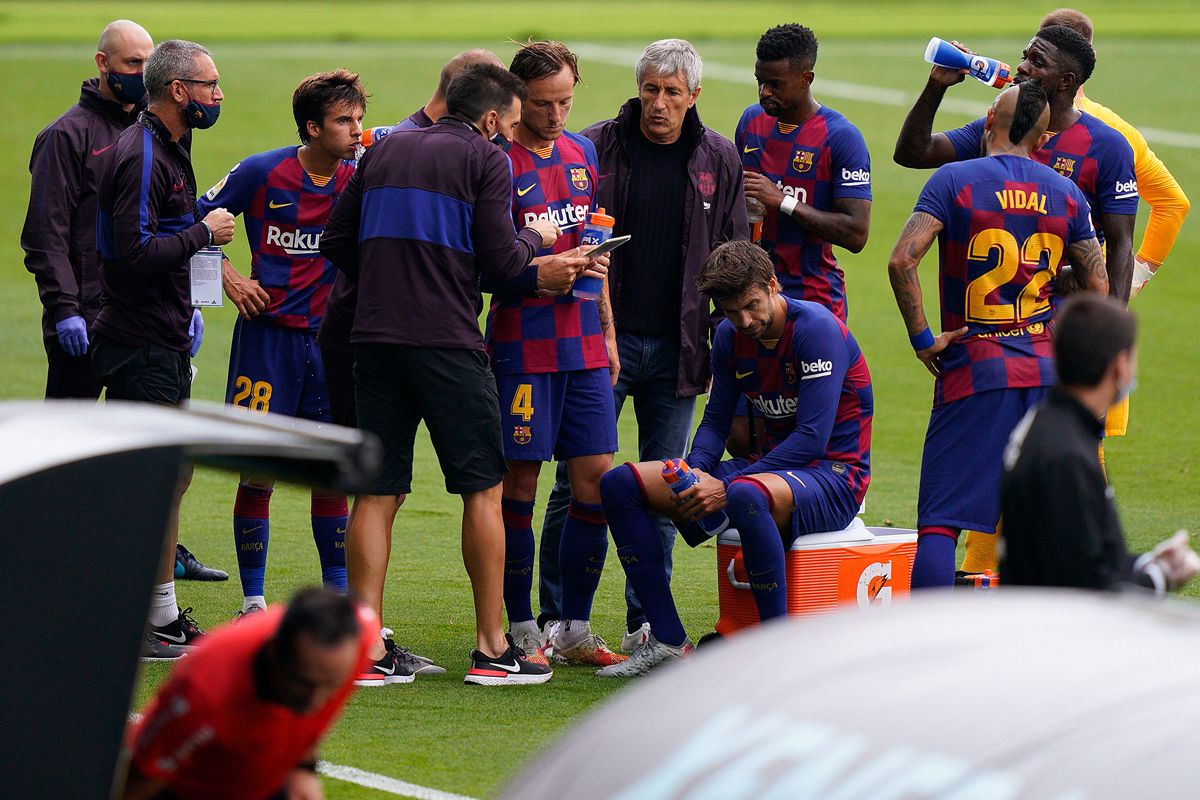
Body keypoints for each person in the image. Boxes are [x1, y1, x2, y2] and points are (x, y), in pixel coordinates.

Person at [321, 63, 592, 686]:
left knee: (377, 492)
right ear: (491, 118)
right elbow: (501, 264)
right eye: (513, 122)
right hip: (446, 343)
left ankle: (364, 645)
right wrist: (536, 247)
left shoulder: (383, 149)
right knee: (483, 489)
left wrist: (392, 276)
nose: (513, 132)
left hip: (374, 340)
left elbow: (336, 240)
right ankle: (493, 650)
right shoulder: (486, 158)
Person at [957, 7, 1195, 576]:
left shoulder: (1108, 136)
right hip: (1027, 322)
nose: (1024, 63)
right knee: (1039, 450)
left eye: (1037, 55)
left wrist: (1123, 288)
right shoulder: (1014, 116)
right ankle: (1005, 573)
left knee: (1063, 449)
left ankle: (1071, 572)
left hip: (1066, 327)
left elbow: (1170, 205)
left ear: (1070, 70)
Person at [893, 24, 1137, 578]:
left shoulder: (1101, 147)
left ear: (1066, 81)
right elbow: (912, 151)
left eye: (1036, 60)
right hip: (1046, 359)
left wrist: (922, 338)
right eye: (1025, 55)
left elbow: (1124, 245)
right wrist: (936, 86)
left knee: (944, 519)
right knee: (1056, 523)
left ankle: (942, 628)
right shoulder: (1062, 188)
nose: (1022, 65)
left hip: (986, 361)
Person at [540, 38, 747, 652]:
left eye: (672, 93)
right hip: (595, 346)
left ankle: (646, 624)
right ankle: (559, 618)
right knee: (573, 483)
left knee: (666, 486)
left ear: (694, 96)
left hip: (680, 351)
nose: (659, 103)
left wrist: (725, 346)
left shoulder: (719, 158)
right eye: (651, 89)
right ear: (639, 88)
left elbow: (732, 257)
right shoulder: (593, 147)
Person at [599, 240, 873, 677]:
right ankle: (668, 642)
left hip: (835, 475)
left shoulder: (817, 330)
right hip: (769, 469)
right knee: (620, 485)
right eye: (731, 312)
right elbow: (715, 421)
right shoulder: (729, 336)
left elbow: (811, 438)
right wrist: (695, 472)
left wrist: (723, 487)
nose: (744, 321)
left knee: (744, 493)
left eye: (751, 306)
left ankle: (776, 654)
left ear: (772, 284)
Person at [195, 71, 374, 629]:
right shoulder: (260, 171)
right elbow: (190, 220)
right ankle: (253, 602)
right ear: (313, 127)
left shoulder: (361, 176)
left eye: (359, 119)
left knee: (329, 470)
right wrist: (227, 276)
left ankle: (339, 599)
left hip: (331, 344)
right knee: (258, 470)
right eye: (344, 120)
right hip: (267, 342)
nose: (356, 130)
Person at [480, 40, 625, 668]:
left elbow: (594, 245)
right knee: (520, 483)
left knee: (596, 478)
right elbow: (485, 262)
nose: (557, 114)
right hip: (522, 344)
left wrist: (608, 331)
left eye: (566, 101)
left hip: (583, 341)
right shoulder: (494, 160)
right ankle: (519, 625)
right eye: (544, 103)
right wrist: (537, 270)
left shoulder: (582, 152)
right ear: (517, 98)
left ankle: (573, 626)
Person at [93, 38, 235, 659]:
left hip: (164, 335)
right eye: (210, 85)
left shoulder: (172, 145)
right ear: (179, 91)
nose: (218, 95)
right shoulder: (144, 154)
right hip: (141, 341)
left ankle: (158, 612)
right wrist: (204, 230)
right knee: (152, 482)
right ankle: (144, 617)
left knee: (171, 476)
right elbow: (133, 255)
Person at [319, 49, 504, 431]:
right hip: (377, 331)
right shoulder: (398, 145)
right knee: (382, 461)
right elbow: (340, 239)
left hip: (389, 329)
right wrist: (395, 276)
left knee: (383, 463)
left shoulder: (418, 142)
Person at [1000, 294, 1200, 592]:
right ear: (1119, 366)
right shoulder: (1067, 456)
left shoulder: (1052, 424)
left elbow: (1083, 551)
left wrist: (1147, 563)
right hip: (1052, 620)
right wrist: (1160, 577)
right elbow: (1086, 589)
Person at [121, 588, 377, 800]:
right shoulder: (202, 692)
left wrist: (303, 769)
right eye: (303, 684)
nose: (316, 700)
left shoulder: (360, 638)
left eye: (332, 684)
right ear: (274, 652)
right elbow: (141, 778)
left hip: (262, 776)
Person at [23, 19, 152, 401]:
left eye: (149, 63)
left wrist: (187, 301)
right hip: (85, 317)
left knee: (139, 431)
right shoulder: (64, 136)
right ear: (102, 62)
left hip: (144, 317)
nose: (143, 74)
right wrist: (65, 309)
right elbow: (46, 235)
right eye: (132, 63)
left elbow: (170, 219)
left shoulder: (156, 131)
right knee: (67, 432)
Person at [736, 23, 872, 320]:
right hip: (751, 297)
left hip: (814, 300)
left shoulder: (840, 137)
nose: (764, 92)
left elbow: (856, 233)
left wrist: (783, 201)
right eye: (760, 81)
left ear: (805, 79)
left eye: (775, 84)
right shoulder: (751, 122)